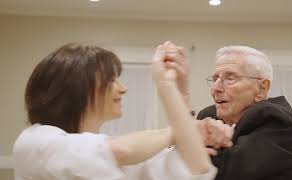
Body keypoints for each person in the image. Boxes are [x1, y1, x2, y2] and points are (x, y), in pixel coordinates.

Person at [13, 42, 217, 180]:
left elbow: (196, 168)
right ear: (77, 87)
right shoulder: (34, 141)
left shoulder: (120, 155)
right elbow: (120, 151)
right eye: (111, 80)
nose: (122, 88)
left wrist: (175, 88)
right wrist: (180, 130)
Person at [168, 44, 292, 180]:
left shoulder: (276, 120)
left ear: (261, 88)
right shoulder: (209, 116)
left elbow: (219, 172)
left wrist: (182, 97)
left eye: (230, 78)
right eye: (215, 78)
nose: (216, 88)